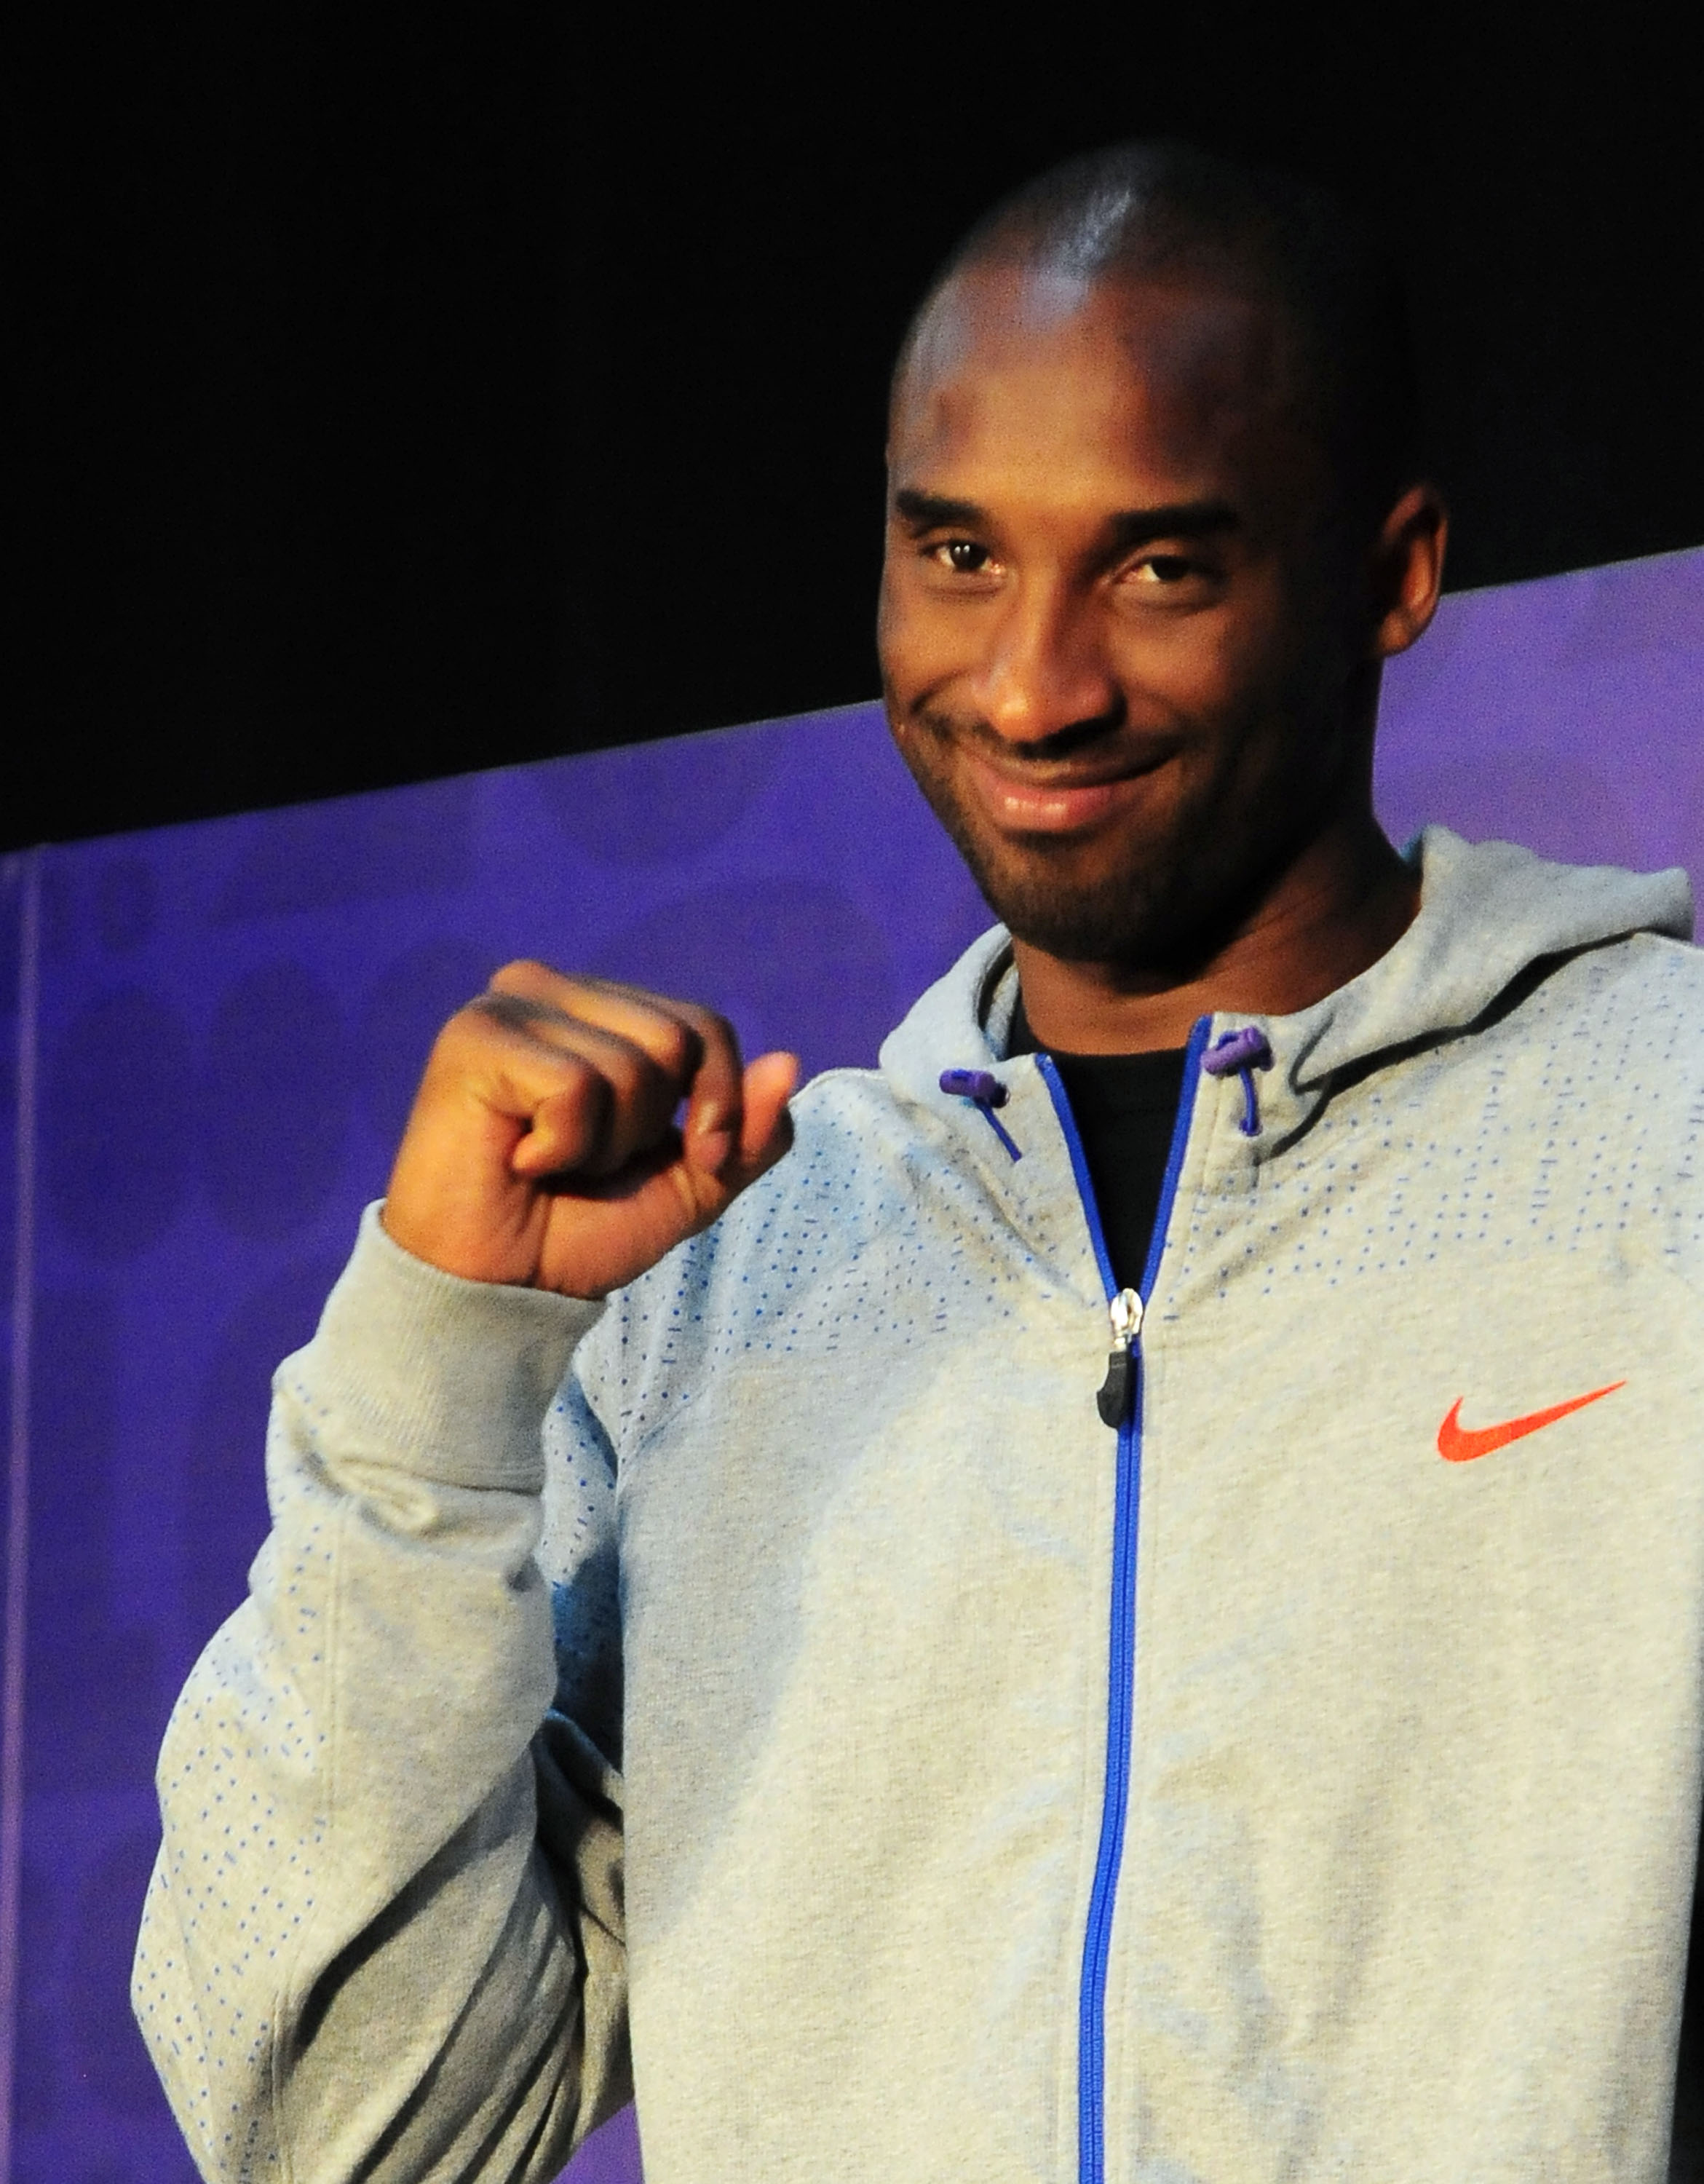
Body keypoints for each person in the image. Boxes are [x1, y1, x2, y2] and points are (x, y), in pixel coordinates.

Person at [135, 141, 1704, 2183]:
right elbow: (345, 2132)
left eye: (1160, 566)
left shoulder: (1661, 1150)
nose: (1034, 686)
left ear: (1395, 573)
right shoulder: (726, 1284)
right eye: (960, 554)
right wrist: (442, 1357)